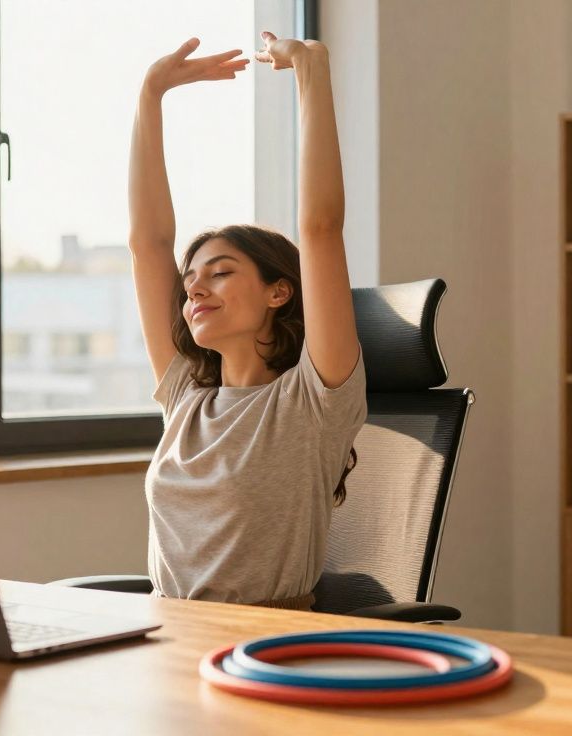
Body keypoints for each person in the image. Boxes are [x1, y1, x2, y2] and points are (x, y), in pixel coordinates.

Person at [128, 32, 367, 611]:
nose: (194, 288)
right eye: (191, 279)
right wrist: (150, 95)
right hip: (167, 634)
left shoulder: (313, 399)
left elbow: (321, 228)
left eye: (221, 273)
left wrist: (310, 73)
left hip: (263, 643)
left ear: (279, 291)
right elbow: (147, 243)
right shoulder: (185, 396)